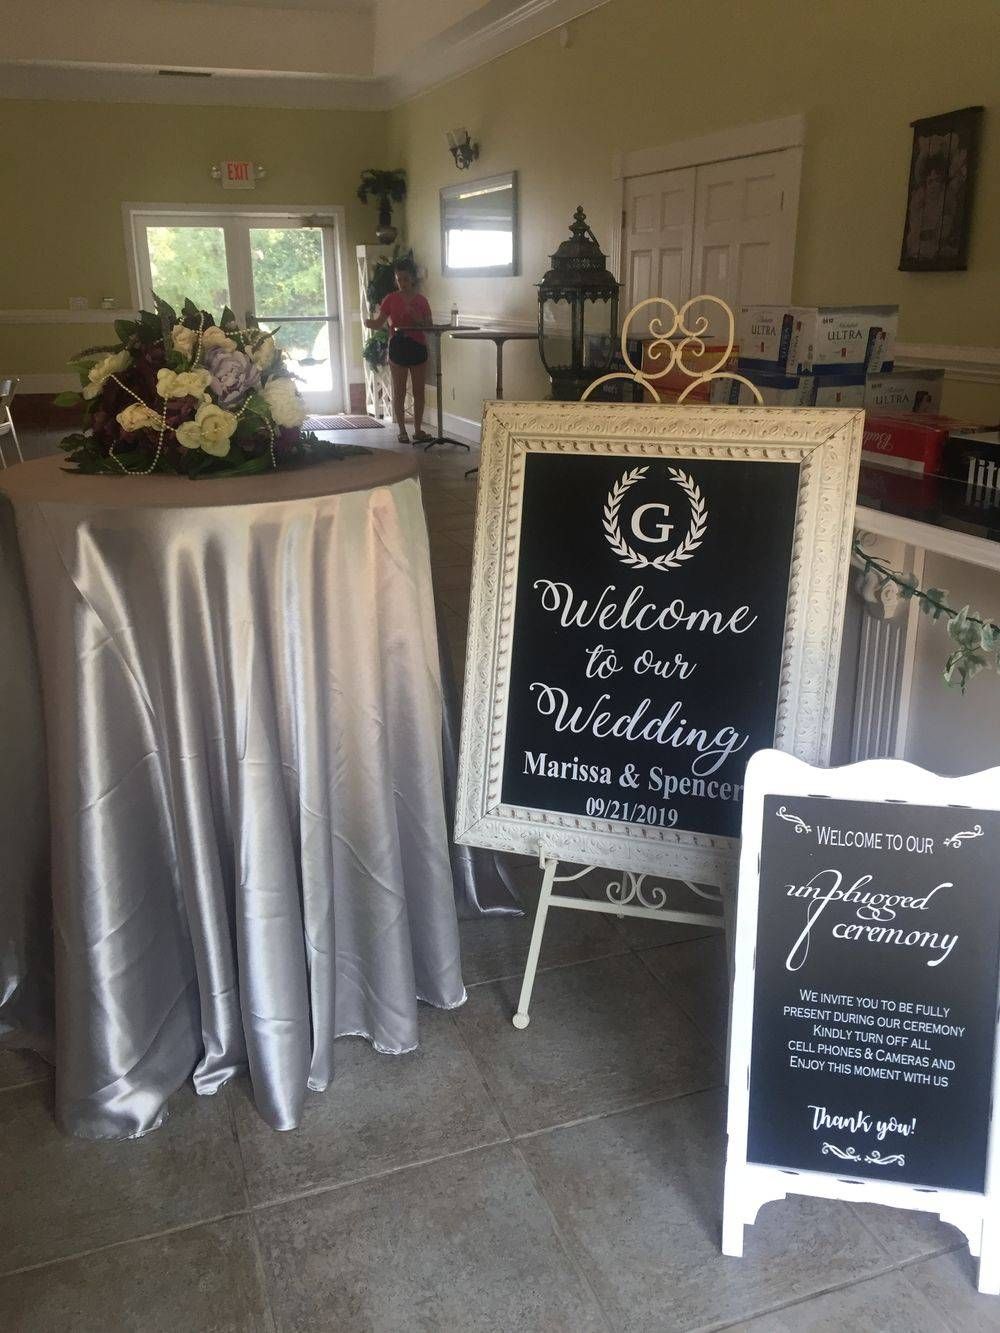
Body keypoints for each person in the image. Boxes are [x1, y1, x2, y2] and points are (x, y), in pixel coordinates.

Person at [364, 261, 432, 444]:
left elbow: (429, 325)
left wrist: (417, 318)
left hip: (417, 346)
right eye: (399, 279)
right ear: (396, 281)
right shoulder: (391, 299)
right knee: (399, 390)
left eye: (406, 279)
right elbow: (380, 322)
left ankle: (418, 429)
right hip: (398, 346)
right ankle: (402, 430)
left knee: (418, 391)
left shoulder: (421, 300)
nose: (403, 282)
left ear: (412, 280)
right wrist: (369, 323)